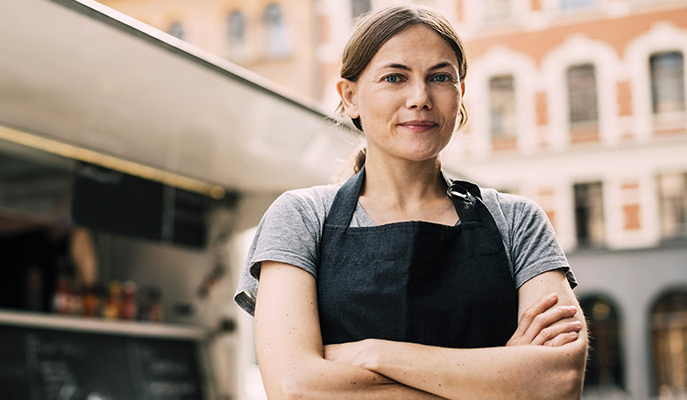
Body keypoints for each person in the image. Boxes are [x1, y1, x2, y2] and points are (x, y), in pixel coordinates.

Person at [231, 5, 588, 399]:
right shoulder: (300, 218)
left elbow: (557, 381)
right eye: (395, 77)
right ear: (350, 97)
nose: (420, 97)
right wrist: (497, 380)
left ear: (460, 95)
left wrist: (373, 354)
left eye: (439, 77)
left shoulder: (517, 221)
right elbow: (294, 387)